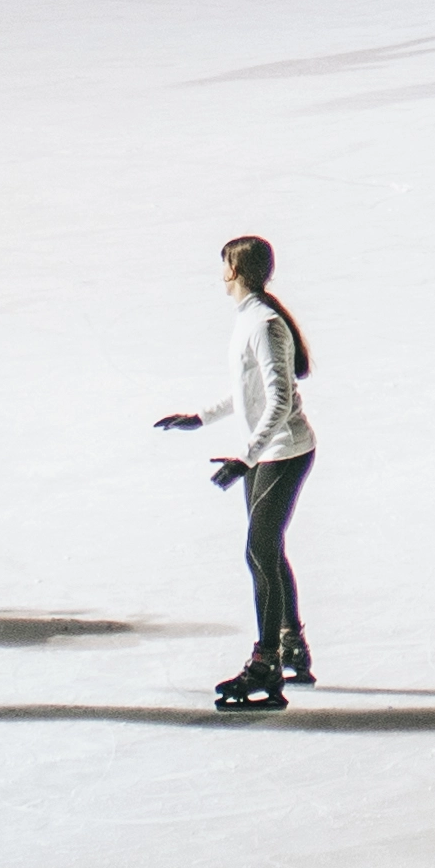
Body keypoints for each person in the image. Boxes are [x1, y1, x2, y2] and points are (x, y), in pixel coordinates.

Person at [169, 238, 316, 711]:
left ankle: (266, 665)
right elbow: (246, 390)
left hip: (283, 452)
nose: (221, 272)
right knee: (267, 551)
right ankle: (290, 644)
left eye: (225, 264)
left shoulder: (265, 324)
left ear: (237, 271)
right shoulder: (252, 319)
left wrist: (247, 456)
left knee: (260, 553)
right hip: (266, 452)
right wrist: (200, 417)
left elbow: (278, 399)